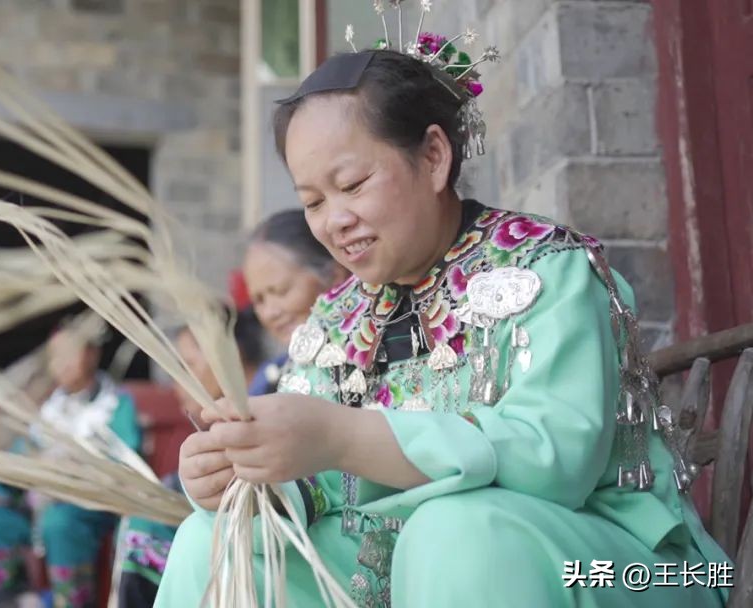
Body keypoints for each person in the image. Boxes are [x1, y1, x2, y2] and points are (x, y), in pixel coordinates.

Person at [155, 43, 731, 608]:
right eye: (312, 201)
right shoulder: (336, 316)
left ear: (433, 156)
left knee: (456, 533)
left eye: (352, 185)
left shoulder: (547, 269)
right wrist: (246, 478)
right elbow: (317, 486)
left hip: (611, 565)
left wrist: (344, 436)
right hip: (396, 565)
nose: (334, 221)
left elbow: (555, 461)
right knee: (208, 543)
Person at [0, 326, 141, 608]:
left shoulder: (116, 404)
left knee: (60, 523)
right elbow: (21, 461)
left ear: (92, 355)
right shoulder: (47, 409)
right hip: (37, 509)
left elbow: (127, 463)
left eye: (69, 355)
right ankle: (13, 601)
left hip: (89, 511)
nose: (60, 365)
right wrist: (15, 469)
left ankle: (69, 603)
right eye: (55, 357)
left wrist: (77, 469)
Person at [115, 309, 264, 608]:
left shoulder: (272, 402)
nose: (177, 382)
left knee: (148, 523)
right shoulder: (225, 419)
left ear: (226, 355)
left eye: (188, 365)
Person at [242, 210, 348, 395]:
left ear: (334, 276)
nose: (270, 313)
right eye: (258, 300)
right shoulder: (267, 382)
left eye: (281, 291)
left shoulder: (377, 358)